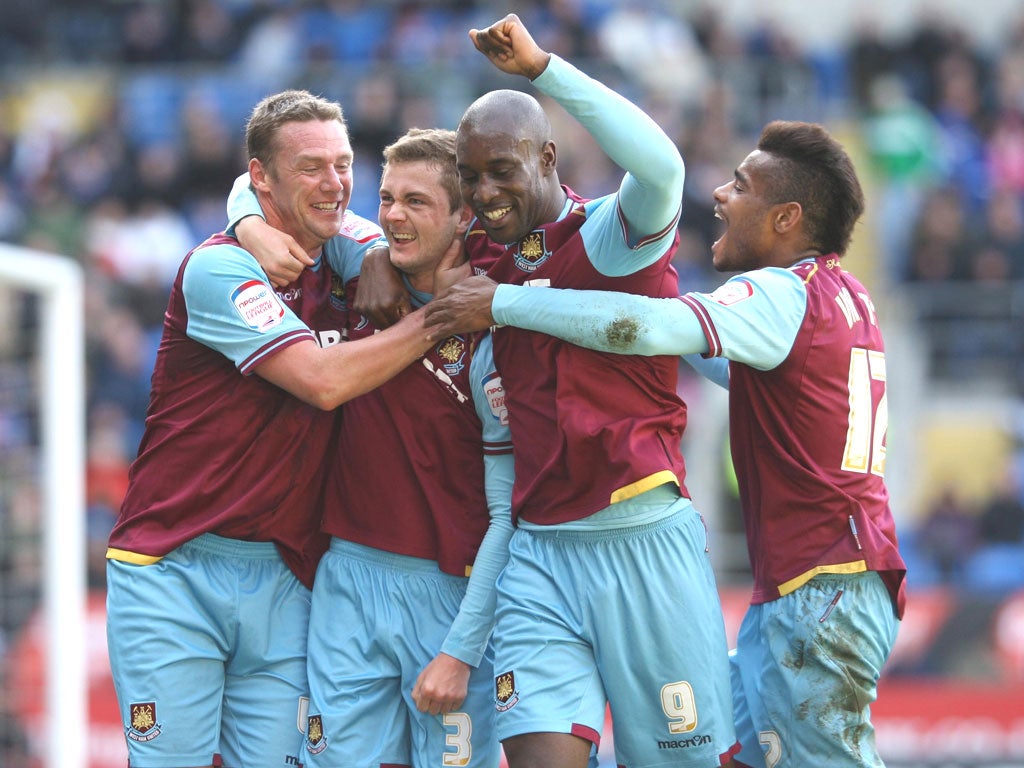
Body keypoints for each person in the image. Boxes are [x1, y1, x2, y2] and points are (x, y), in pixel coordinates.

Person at [425, 119, 908, 768]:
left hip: (819, 585)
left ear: (787, 217)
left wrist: (507, 304)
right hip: (824, 576)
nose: (720, 196)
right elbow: (691, 346)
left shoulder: (778, 292)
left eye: (740, 185)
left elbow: (649, 328)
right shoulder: (841, 293)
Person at [392, 13, 737, 768]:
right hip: (541, 557)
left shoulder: (609, 240)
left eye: (502, 171)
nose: (484, 193)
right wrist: (249, 218)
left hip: (642, 541)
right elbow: (388, 235)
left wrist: (545, 69)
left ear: (547, 158)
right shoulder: (488, 252)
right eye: (471, 176)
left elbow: (664, 170)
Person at [105, 90, 441, 768]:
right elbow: (322, 381)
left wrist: (369, 255)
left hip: (290, 575)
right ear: (262, 177)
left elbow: (384, 240)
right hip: (174, 567)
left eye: (344, 164)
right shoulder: (219, 267)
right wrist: (440, 321)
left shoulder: (350, 252)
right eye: (312, 166)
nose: (335, 183)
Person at [226, 126, 511, 767]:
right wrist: (248, 225)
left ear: (464, 215)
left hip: (452, 594)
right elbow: (257, 182)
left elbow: (507, 513)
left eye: (416, 202)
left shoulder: (496, 328)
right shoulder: (358, 266)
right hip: (347, 578)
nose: (392, 217)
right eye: (385, 198)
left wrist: (463, 648)